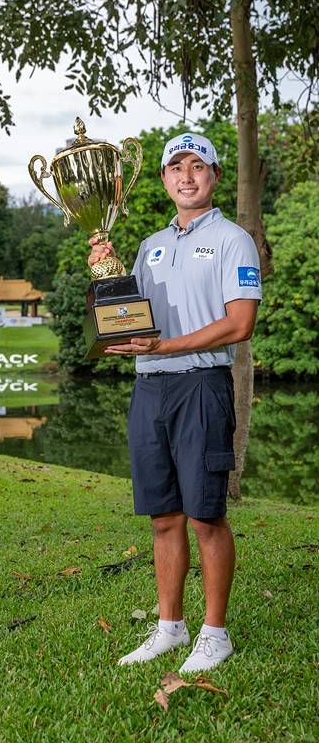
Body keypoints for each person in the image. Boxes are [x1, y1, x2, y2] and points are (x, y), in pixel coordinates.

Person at [88, 132, 262, 673]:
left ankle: (215, 634)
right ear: (164, 179)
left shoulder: (234, 240)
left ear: (214, 175)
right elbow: (134, 317)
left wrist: (165, 346)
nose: (187, 176)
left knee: (205, 516)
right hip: (150, 389)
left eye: (197, 166)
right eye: (176, 167)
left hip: (201, 386)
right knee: (163, 516)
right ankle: (170, 627)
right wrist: (106, 272)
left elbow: (240, 323)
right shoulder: (150, 245)